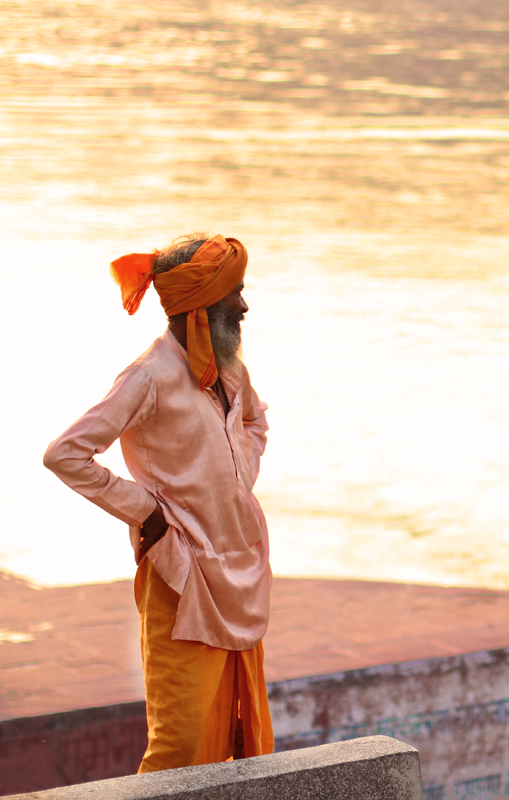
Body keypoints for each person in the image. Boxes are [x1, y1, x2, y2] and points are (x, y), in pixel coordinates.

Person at [43, 234, 274, 772]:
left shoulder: (229, 369)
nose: (243, 306)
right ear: (200, 307)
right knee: (180, 745)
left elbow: (255, 420)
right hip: (182, 574)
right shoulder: (148, 377)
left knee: (239, 732)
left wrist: (237, 481)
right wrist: (146, 511)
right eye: (233, 294)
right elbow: (65, 454)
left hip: (240, 568)